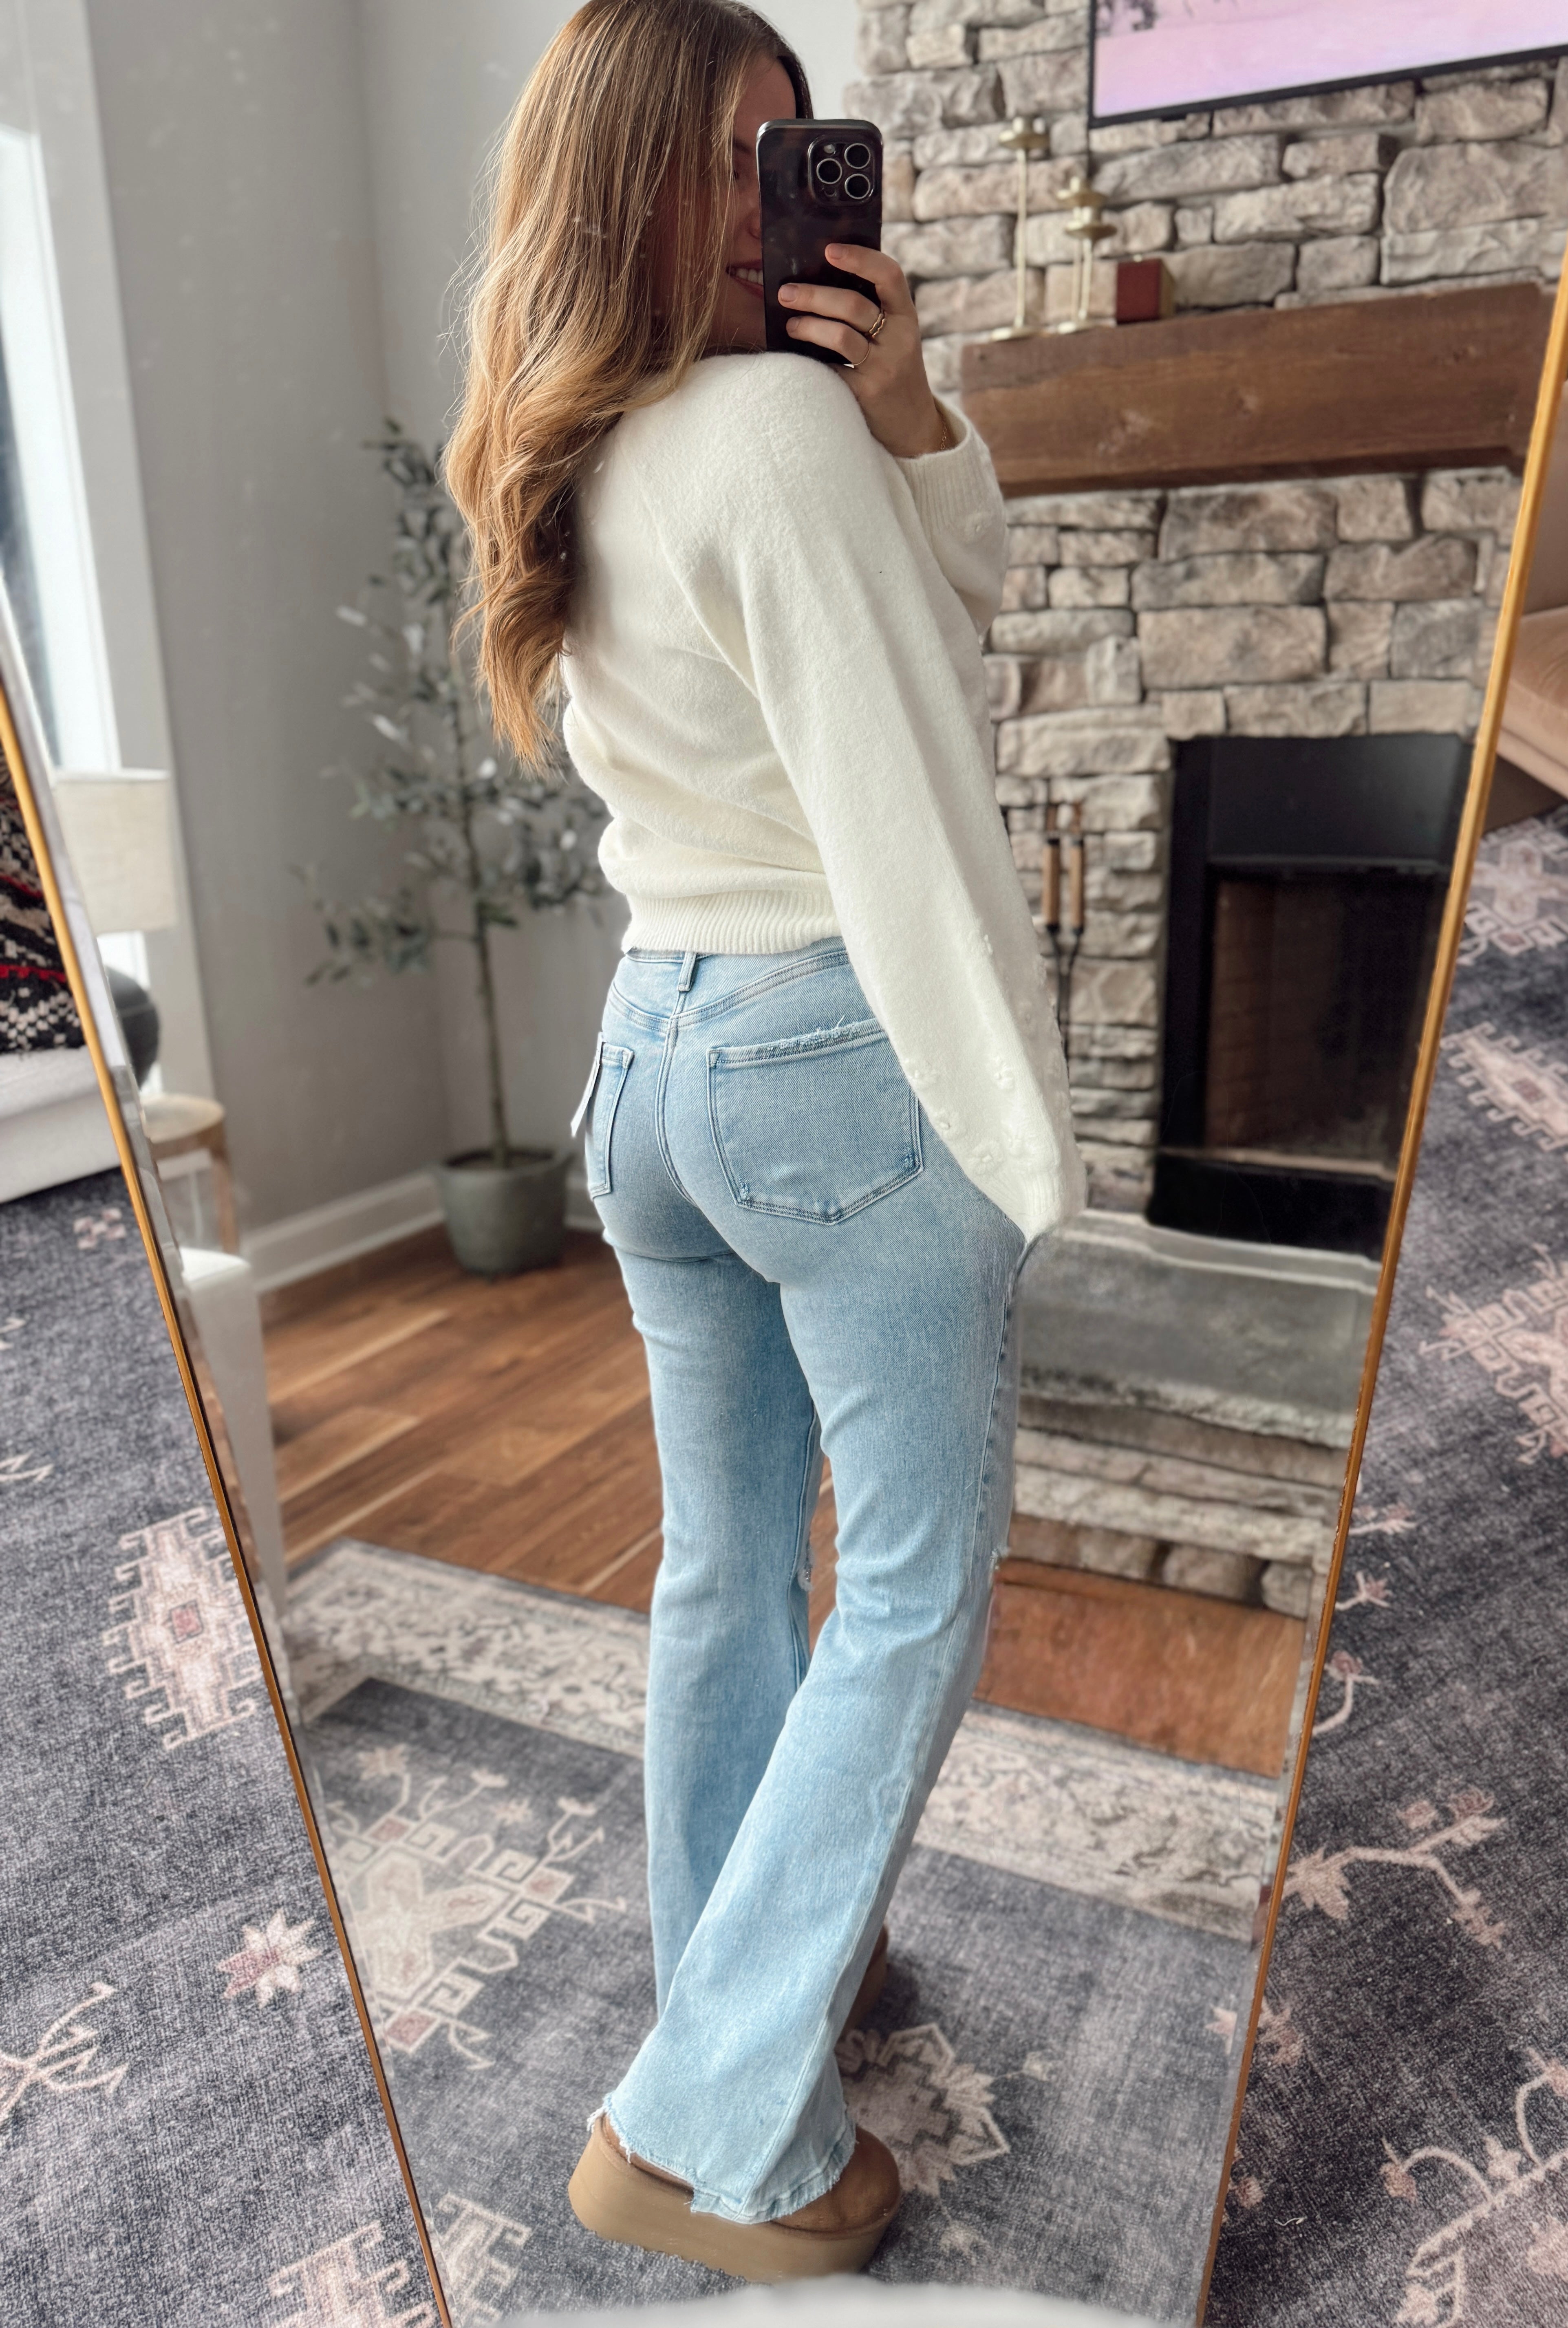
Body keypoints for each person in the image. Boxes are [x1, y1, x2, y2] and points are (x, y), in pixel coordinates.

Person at [447, 0, 1083, 2283]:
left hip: (654, 1057)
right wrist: (1015, 1119)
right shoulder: (771, 433)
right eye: (719, 161)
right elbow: (914, 786)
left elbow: (902, 625)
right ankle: (714, 2125)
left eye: (788, 154)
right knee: (910, 1587)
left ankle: (773, 1968)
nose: (764, 208)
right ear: (615, 182)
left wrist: (910, 418)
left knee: (727, 1567)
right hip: (832, 1053)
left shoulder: (574, 440)